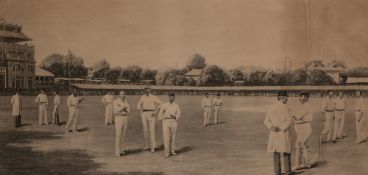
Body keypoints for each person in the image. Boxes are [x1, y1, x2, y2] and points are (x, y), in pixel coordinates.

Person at [264, 90, 292, 175]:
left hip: (274, 132)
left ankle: (277, 172)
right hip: (283, 132)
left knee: (276, 152)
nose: (287, 99)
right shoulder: (285, 107)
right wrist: (282, 128)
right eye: (286, 97)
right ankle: (287, 171)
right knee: (286, 151)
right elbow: (289, 121)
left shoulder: (271, 107)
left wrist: (272, 127)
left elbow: (266, 121)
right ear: (282, 97)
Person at [292, 91, 313, 170]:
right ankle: (307, 163)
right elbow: (293, 115)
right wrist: (294, 117)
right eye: (300, 96)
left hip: (304, 127)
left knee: (299, 145)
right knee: (305, 146)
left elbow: (296, 116)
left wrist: (294, 118)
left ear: (307, 98)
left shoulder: (306, 106)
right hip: (301, 127)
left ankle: (298, 164)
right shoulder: (301, 105)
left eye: (303, 96)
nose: (300, 98)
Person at [137, 86, 162, 152]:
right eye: (146, 89)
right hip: (144, 113)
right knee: (145, 130)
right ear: (144, 90)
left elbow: (160, 104)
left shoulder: (153, 97)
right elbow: (139, 105)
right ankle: (147, 145)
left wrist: (155, 112)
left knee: (152, 130)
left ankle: (153, 147)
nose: (147, 90)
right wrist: (140, 114)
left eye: (148, 89)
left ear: (150, 90)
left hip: (151, 113)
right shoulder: (142, 97)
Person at [158, 93, 181, 158]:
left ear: (174, 98)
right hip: (165, 121)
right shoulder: (164, 105)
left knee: (173, 137)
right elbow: (160, 113)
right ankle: (167, 152)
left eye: (172, 97)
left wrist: (174, 116)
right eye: (169, 97)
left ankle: (172, 151)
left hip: (173, 121)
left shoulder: (176, 105)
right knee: (166, 137)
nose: (170, 98)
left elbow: (179, 114)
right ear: (168, 97)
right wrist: (161, 120)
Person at [113, 91, 130, 156]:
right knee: (118, 134)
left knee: (123, 135)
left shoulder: (126, 102)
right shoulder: (116, 101)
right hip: (118, 118)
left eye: (124, 94)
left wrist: (123, 109)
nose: (123, 95)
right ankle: (117, 151)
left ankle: (121, 150)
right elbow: (116, 110)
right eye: (122, 94)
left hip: (125, 118)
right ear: (119, 94)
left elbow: (129, 111)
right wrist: (123, 108)